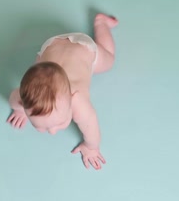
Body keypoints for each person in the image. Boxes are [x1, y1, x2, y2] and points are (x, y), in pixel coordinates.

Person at [6, 13, 119, 170]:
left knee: (109, 60)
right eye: (39, 126)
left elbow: (91, 127)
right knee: (39, 68)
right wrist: (21, 111)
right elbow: (13, 98)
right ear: (22, 102)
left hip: (84, 49)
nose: (52, 132)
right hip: (52, 44)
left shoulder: (78, 102)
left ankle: (101, 24)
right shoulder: (23, 97)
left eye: (59, 123)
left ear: (72, 99)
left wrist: (91, 147)